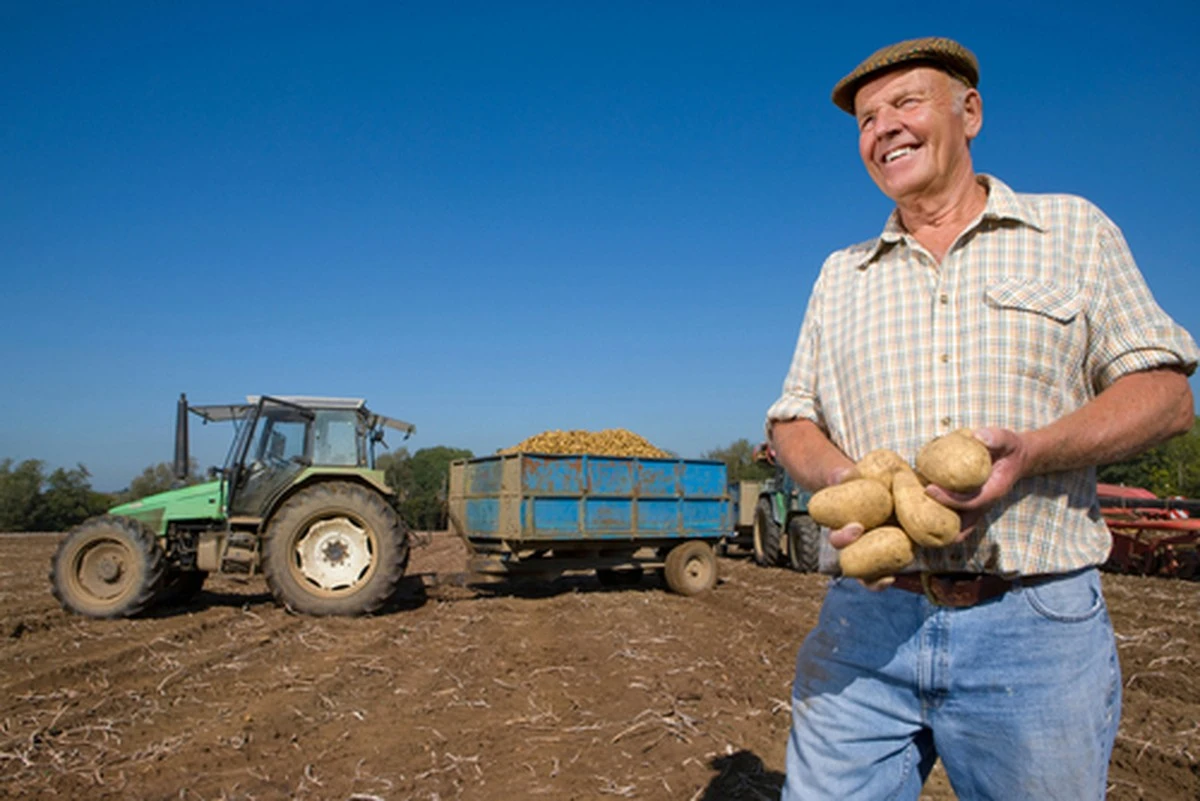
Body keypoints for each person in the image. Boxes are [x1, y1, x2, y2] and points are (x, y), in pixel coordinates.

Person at [765, 36, 1199, 800]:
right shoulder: (841, 274)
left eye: (906, 104)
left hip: (1033, 627)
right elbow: (791, 420)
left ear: (970, 113)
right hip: (866, 621)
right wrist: (844, 481)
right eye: (867, 119)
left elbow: (1166, 395)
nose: (884, 128)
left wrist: (1029, 451)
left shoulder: (1074, 232)